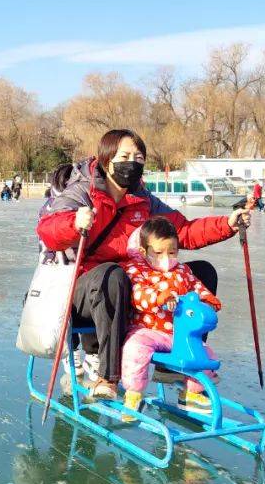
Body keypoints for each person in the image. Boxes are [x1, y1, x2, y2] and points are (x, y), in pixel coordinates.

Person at [37, 129, 249, 400]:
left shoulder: (143, 199)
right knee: (113, 275)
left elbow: (180, 231)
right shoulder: (83, 191)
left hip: (136, 285)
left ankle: (182, 359)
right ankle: (108, 378)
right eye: (124, 156)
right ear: (106, 159)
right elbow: (47, 231)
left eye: (138, 158)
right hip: (87, 289)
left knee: (200, 272)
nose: (132, 163)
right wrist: (74, 223)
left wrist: (227, 224)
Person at [120, 217, 221, 417]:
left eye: (172, 252)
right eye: (158, 253)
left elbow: (197, 288)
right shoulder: (136, 270)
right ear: (144, 251)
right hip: (148, 330)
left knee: (205, 353)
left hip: (177, 334)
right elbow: (138, 295)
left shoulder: (183, 271)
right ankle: (133, 393)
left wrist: (208, 301)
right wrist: (159, 298)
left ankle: (191, 394)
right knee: (135, 348)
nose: (166, 257)